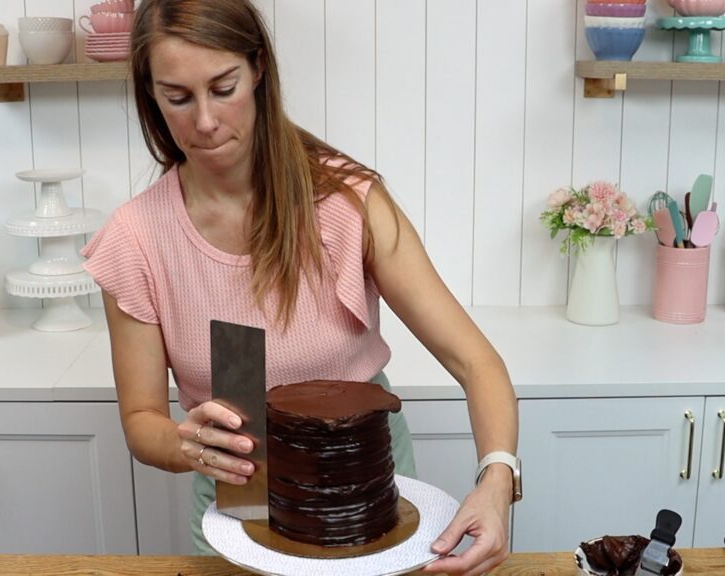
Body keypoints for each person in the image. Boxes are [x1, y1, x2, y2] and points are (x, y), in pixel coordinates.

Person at [81, 1, 519, 574]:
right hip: (238, 504)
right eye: (179, 97)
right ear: (150, 95)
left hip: (365, 494)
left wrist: (497, 478)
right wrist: (186, 444)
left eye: (223, 87)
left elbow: (477, 362)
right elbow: (141, 419)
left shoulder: (348, 202)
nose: (206, 122)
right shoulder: (134, 239)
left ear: (258, 68)